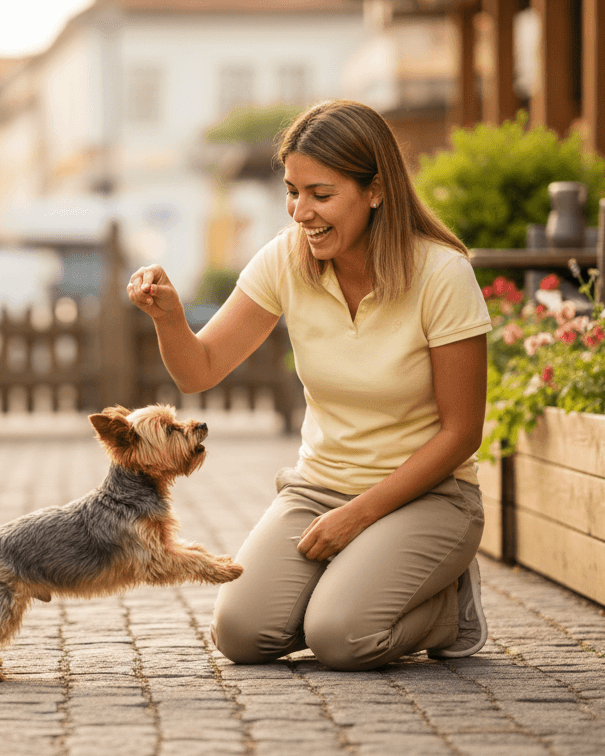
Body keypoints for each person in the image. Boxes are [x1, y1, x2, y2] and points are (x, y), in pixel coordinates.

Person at [127, 100, 491, 671]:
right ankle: (353, 592)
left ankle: (451, 611)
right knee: (241, 634)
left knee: (342, 638)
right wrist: (169, 318)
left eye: (321, 195)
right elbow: (199, 371)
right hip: (319, 490)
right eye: (292, 192)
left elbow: (462, 431)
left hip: (430, 497)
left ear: (375, 191)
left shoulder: (442, 275)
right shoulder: (285, 262)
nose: (301, 212)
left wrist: (360, 516)